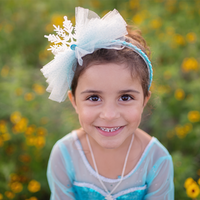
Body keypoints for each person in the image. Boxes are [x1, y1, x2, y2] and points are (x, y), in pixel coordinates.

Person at [41, 7, 174, 200]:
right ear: (74, 101)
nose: (109, 115)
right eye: (94, 98)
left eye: (126, 97)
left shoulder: (157, 160)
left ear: (144, 100)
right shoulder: (64, 156)